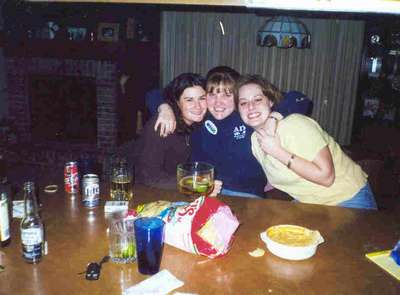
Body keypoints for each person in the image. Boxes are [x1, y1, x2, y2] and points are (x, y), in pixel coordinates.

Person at [147, 66, 312, 198]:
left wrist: (273, 118)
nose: (218, 103)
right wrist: (164, 108)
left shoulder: (248, 115)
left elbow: (300, 99)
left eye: (227, 95)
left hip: (245, 195)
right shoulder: (201, 115)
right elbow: (152, 93)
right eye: (212, 94)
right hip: (201, 192)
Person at [236, 74, 377, 209]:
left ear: (271, 101)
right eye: (243, 103)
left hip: (347, 199)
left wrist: (277, 151)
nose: (251, 107)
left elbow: (326, 177)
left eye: (258, 99)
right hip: (310, 203)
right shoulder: (255, 140)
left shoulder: (295, 124)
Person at [133, 72, 222, 195]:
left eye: (202, 98)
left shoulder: (196, 122)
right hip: (149, 194)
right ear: (177, 102)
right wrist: (195, 184)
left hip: (176, 191)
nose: (198, 106)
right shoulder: (163, 125)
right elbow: (149, 177)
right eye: (189, 100)